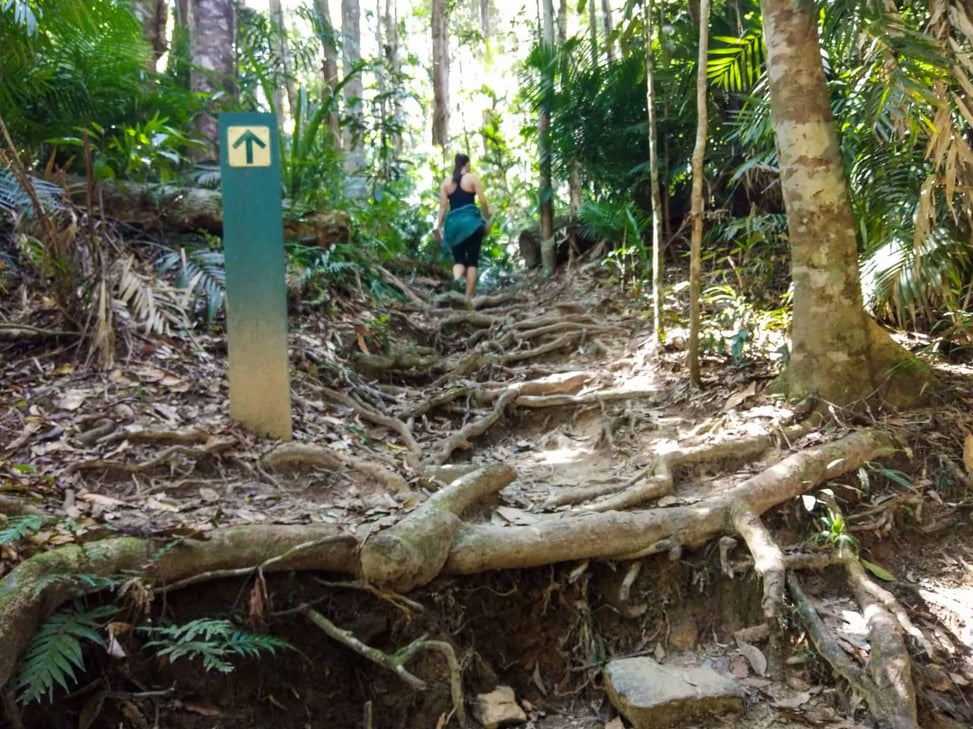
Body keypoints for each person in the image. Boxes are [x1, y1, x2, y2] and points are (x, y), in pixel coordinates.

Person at [434, 153, 490, 302]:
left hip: (453, 225)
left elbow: (442, 207)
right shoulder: (472, 178)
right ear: (466, 164)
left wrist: (438, 227)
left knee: (459, 260)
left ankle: (457, 279)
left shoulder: (446, 183)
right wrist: (486, 218)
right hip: (472, 223)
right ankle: (467, 299)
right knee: (472, 261)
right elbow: (483, 201)